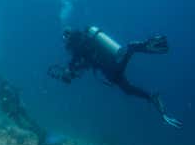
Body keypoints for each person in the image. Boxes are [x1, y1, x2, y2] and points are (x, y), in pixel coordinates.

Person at [48, 26, 182, 128]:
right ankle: (151, 97)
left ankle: (133, 48)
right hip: (109, 63)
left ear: (68, 37)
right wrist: (73, 70)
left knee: (124, 83)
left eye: (65, 40)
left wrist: (69, 70)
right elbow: (86, 62)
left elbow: (78, 61)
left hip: (108, 66)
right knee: (127, 89)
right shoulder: (84, 40)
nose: (66, 45)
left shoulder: (77, 45)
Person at [0, 76, 63, 145]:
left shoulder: (6, 88)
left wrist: (7, 103)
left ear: (0, 82)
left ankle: (43, 134)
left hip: (17, 109)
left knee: (28, 121)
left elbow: (12, 97)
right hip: (12, 111)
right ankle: (40, 133)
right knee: (22, 125)